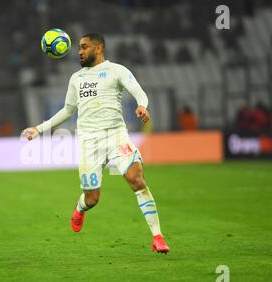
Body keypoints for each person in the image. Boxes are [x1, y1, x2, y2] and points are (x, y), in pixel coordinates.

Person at [23, 33, 169, 253]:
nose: (79, 51)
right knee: (92, 198)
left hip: (116, 136)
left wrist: (142, 105)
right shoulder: (76, 79)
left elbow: (139, 92)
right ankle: (80, 209)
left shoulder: (117, 70)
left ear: (99, 48)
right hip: (89, 141)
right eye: (79, 48)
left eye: (84, 47)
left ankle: (157, 237)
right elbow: (68, 111)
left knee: (136, 179)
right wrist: (39, 129)